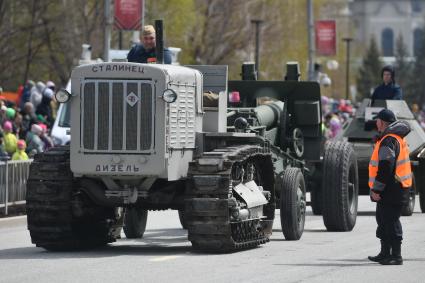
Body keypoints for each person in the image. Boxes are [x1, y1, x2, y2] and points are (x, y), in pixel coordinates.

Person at [368, 109, 411, 265]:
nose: (376, 123)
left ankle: (396, 256)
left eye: (377, 120)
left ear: (382, 122)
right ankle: (385, 253)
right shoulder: (390, 138)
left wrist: (376, 189)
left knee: (391, 222)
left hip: (392, 189)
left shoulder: (389, 140)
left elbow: (386, 166)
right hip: (393, 188)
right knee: (383, 220)